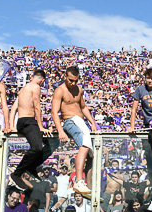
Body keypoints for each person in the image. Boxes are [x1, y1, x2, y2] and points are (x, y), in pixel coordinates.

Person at [51, 66, 98, 198]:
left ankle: (88, 186)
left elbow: (83, 107)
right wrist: (60, 130)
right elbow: (54, 112)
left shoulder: (79, 89)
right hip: (70, 121)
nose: (73, 83)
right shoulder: (60, 91)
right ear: (65, 76)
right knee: (85, 145)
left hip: (81, 122)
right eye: (71, 80)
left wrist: (92, 123)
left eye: (75, 81)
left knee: (91, 154)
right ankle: (78, 181)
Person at [9, 69, 54, 191]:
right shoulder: (35, 87)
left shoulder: (23, 89)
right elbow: (37, 107)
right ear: (42, 80)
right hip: (29, 121)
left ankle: (31, 166)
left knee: (48, 143)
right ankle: (17, 173)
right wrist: (40, 126)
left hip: (21, 122)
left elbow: (13, 108)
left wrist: (11, 125)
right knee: (40, 147)